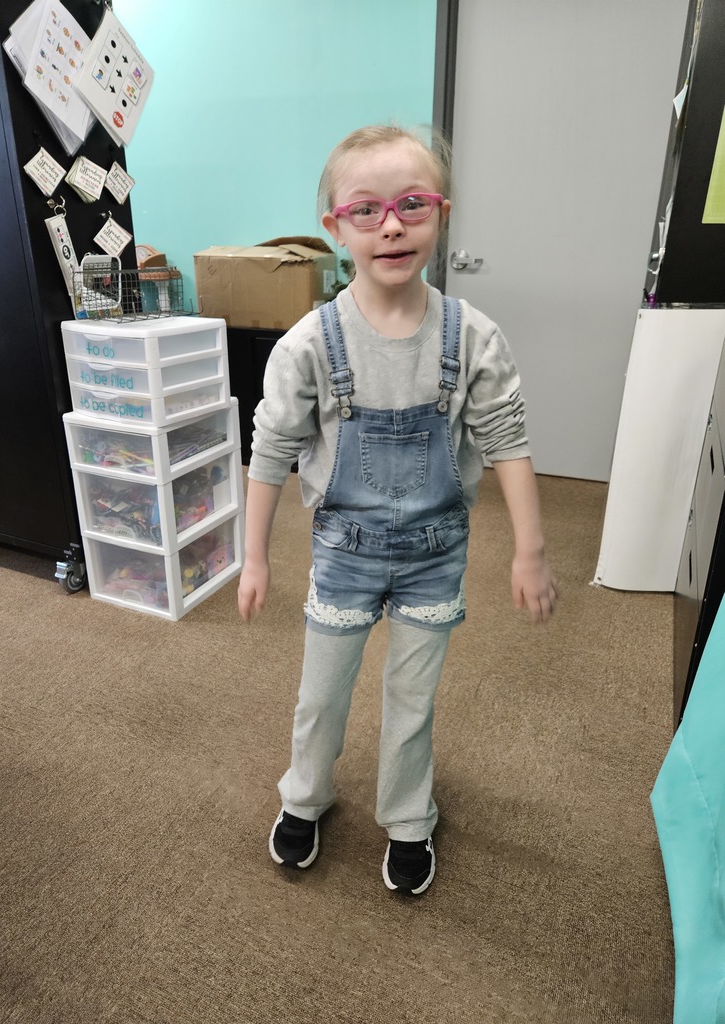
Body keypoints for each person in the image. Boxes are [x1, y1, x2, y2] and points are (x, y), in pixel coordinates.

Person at [237, 124, 558, 895]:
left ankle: (410, 817)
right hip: (342, 554)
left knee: (412, 700)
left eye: (413, 204)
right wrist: (255, 555)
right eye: (367, 209)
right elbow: (271, 449)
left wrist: (531, 549)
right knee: (323, 694)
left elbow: (507, 439)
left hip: (434, 554)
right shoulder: (309, 344)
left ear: (441, 213)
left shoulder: (472, 336)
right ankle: (305, 797)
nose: (391, 225)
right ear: (335, 226)